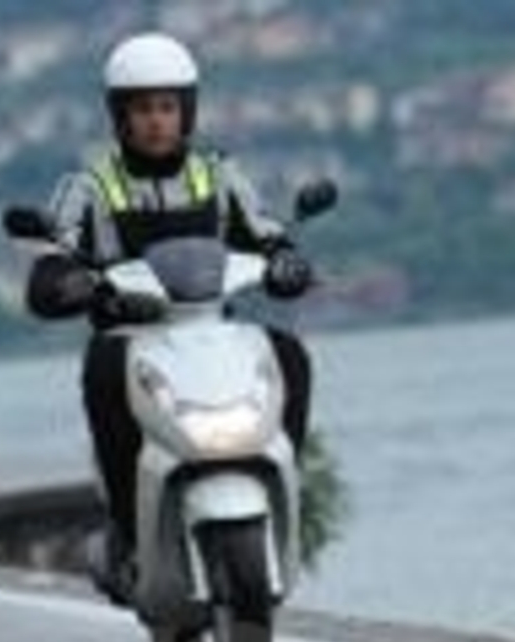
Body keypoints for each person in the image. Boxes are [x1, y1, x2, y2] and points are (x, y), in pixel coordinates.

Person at [22, 32, 313, 604]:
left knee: (287, 353)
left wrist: (288, 261)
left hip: (211, 331)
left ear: (187, 111)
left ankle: (280, 478)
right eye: (141, 109)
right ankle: (128, 534)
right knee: (103, 367)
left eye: (167, 107)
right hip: (131, 338)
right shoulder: (88, 188)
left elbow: (267, 232)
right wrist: (64, 283)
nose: (156, 121)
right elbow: (52, 258)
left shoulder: (219, 175)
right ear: (119, 117)